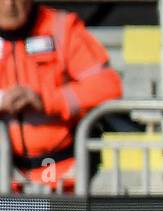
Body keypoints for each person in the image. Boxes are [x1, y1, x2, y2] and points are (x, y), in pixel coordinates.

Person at [0, 0, 121, 191]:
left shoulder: (61, 28)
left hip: (63, 176)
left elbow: (107, 88)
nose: (9, 5)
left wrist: (45, 100)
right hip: (7, 179)